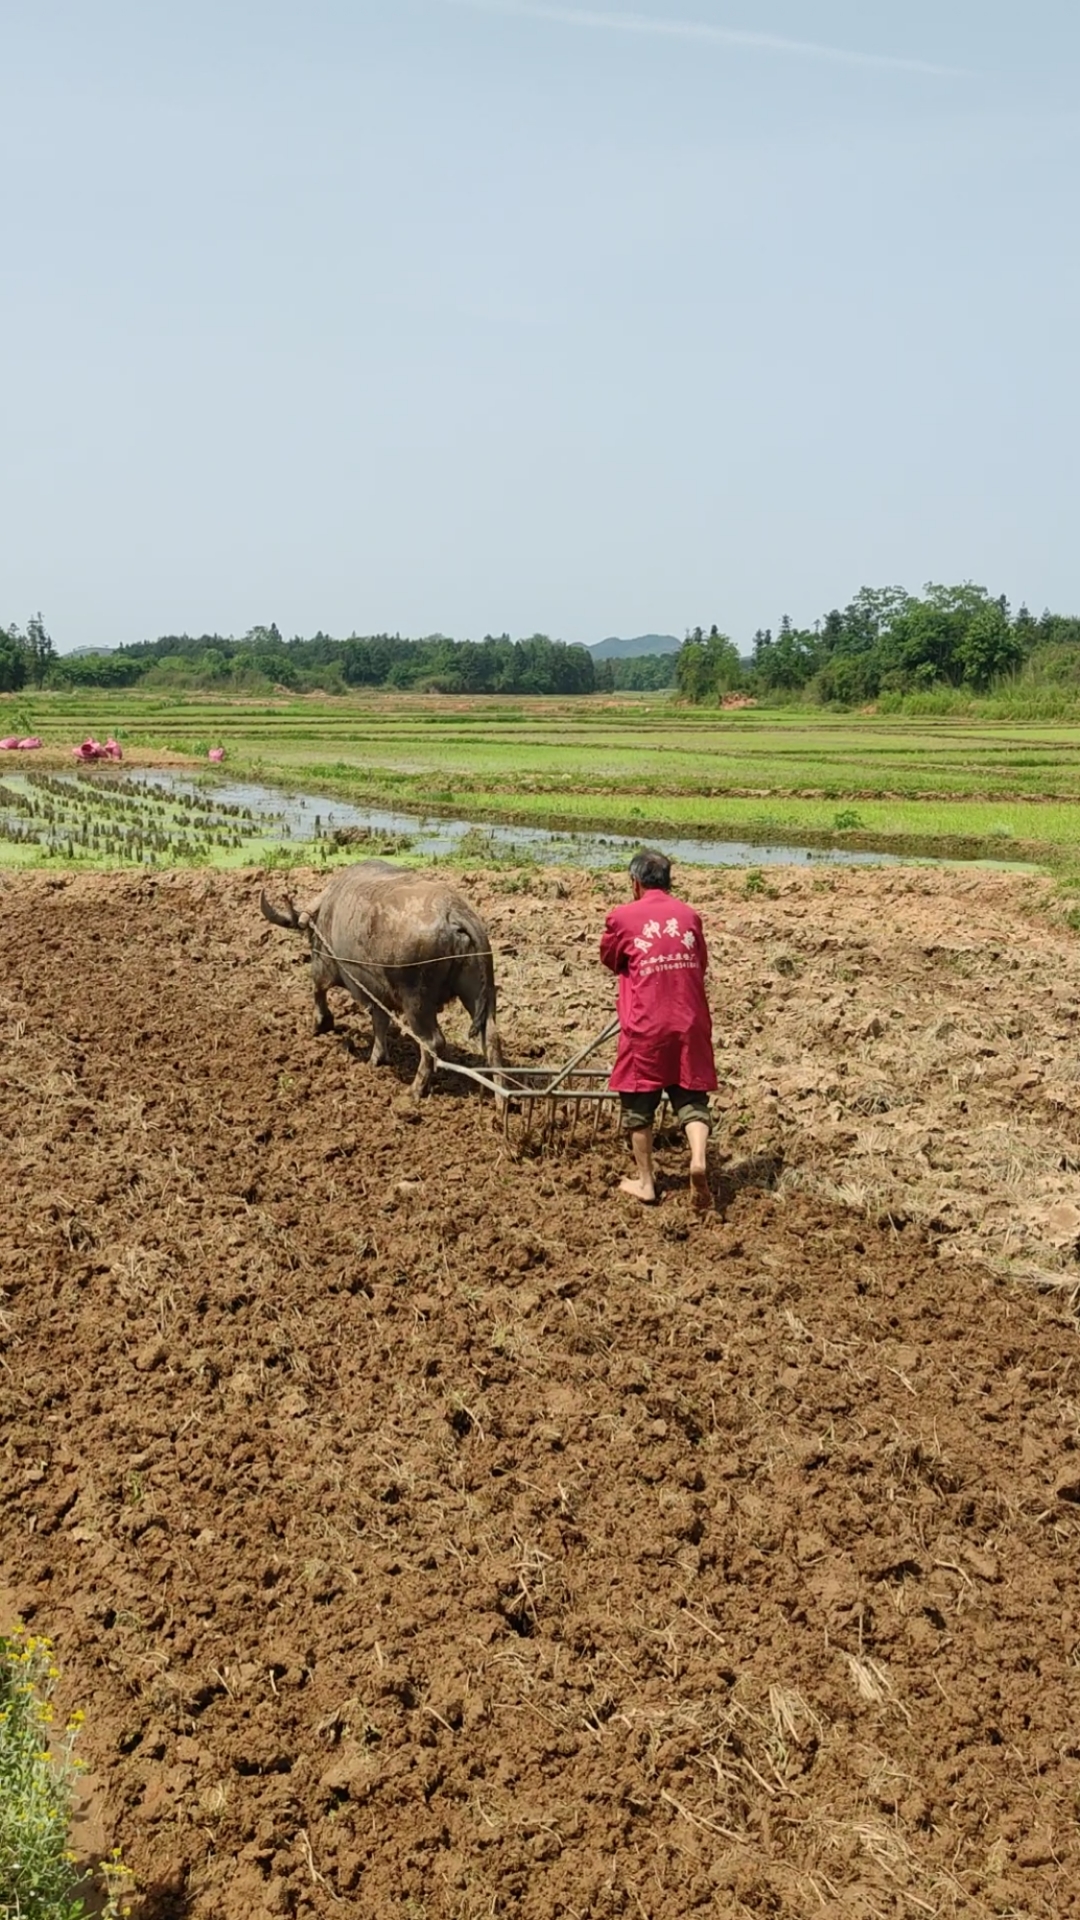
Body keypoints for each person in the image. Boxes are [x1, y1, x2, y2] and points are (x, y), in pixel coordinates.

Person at [599, 848, 717, 1211]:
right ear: (669, 881)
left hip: (646, 1024)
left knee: (638, 1100)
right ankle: (698, 1160)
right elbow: (701, 961)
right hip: (690, 1020)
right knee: (691, 1096)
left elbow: (610, 958)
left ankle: (647, 1183)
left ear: (635, 883)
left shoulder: (621, 917)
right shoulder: (689, 915)